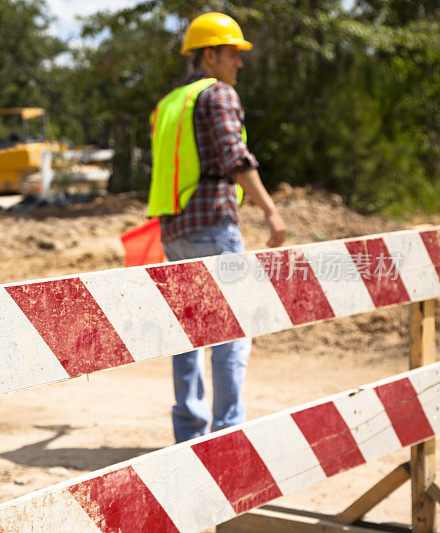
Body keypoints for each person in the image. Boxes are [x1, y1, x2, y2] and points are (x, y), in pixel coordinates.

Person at [148, 12, 287, 443]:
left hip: (174, 230)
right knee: (231, 329)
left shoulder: (169, 104)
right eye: (232, 54)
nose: (239, 64)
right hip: (213, 224)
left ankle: (190, 433)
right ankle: (227, 434)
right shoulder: (218, 95)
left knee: (187, 332)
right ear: (209, 56)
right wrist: (269, 209)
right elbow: (234, 156)